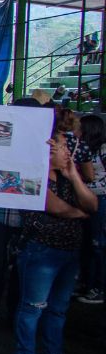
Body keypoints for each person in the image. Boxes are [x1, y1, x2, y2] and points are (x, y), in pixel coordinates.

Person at [13, 129, 95, 354]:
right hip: (41, 250)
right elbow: (55, 207)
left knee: (58, 307)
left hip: (69, 251)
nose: (69, 154)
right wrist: (80, 213)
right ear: (47, 151)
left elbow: (92, 205)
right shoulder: (30, 176)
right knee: (33, 306)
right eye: (63, 149)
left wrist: (74, 177)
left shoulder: (69, 177)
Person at [77, 113, 106, 305]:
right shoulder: (82, 149)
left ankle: (99, 287)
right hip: (83, 198)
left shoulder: (102, 149)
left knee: (98, 244)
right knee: (86, 242)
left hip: (101, 199)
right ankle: (86, 282)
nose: (77, 130)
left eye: (80, 127)